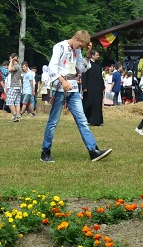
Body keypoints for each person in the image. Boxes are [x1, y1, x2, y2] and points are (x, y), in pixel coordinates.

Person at [40, 29, 112, 163]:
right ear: (75, 38)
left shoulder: (77, 51)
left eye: (82, 47)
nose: (79, 48)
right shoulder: (59, 47)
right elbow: (52, 67)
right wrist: (63, 81)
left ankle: (93, 151)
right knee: (53, 121)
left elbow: (83, 68)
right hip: (60, 87)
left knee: (82, 120)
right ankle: (45, 151)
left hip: (73, 88)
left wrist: (87, 53)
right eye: (80, 45)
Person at [82, 49, 105, 126]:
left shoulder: (98, 64)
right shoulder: (87, 64)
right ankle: (85, 119)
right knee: (89, 103)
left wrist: (103, 86)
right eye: (97, 55)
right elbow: (84, 76)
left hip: (98, 87)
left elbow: (100, 76)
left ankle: (96, 121)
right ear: (92, 55)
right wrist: (84, 87)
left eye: (98, 55)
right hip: (89, 87)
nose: (98, 56)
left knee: (97, 103)